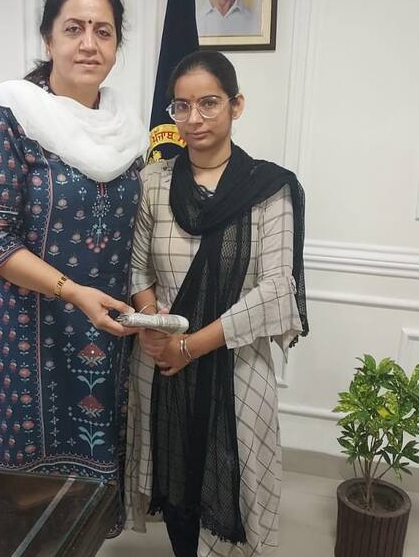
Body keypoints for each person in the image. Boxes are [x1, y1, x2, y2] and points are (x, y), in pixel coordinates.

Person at [0, 0, 146, 534]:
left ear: (117, 45)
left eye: (103, 31)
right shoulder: (8, 118)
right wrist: (72, 291)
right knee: (15, 501)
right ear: (48, 39)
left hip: (101, 336)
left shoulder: (125, 130)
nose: (89, 44)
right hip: (22, 336)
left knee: (85, 497)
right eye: (74, 28)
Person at [125, 50, 308, 556]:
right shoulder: (154, 181)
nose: (194, 118)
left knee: (233, 478)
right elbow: (137, 268)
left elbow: (276, 289)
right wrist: (154, 326)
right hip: (161, 363)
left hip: (234, 363)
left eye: (208, 103)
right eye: (181, 106)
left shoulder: (268, 188)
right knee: (175, 482)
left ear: (236, 105)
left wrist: (190, 346)